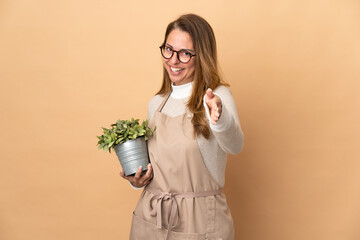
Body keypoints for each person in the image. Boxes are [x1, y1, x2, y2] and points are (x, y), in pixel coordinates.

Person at [120, 13, 244, 240]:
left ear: (202, 56)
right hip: (151, 219)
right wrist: (137, 182)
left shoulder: (216, 97)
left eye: (185, 53)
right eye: (168, 49)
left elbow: (235, 145)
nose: (173, 60)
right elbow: (155, 169)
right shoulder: (156, 103)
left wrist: (219, 117)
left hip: (200, 224)